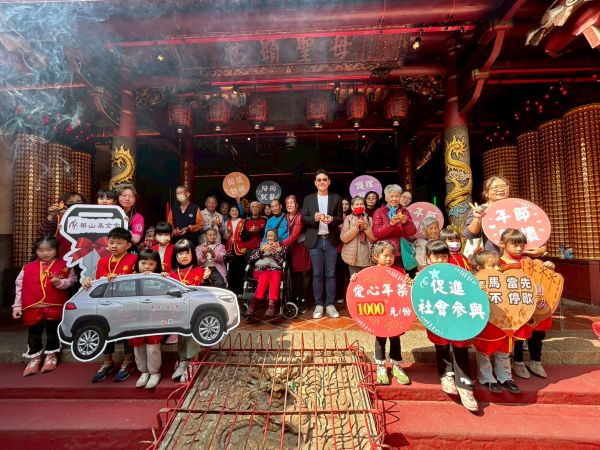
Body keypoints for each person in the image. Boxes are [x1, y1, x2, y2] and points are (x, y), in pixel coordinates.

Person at [424, 240, 478, 412]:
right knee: (441, 345)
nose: (440, 260)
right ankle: (446, 374)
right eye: (436, 257)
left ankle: (465, 384)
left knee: (460, 347)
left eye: (443, 256)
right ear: (428, 258)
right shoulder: (423, 276)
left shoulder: (458, 273)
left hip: (456, 316)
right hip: (437, 318)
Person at [12, 237, 76, 376]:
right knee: (34, 334)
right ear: (36, 251)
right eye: (41, 250)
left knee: (53, 332)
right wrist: (17, 307)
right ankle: (35, 358)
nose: (45, 253)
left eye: (49, 249)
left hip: (54, 305)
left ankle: (51, 356)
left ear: (56, 250)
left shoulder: (65, 266)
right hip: (32, 306)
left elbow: (72, 281)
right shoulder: (27, 267)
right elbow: (19, 287)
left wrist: (59, 282)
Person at [82, 227, 138, 383]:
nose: (114, 246)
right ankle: (107, 361)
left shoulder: (134, 259)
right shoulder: (102, 261)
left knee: (127, 331)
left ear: (128, 245)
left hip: (127, 303)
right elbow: (98, 282)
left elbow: (138, 280)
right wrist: (88, 281)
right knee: (105, 330)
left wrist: (120, 279)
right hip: (106, 304)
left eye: (119, 243)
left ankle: (128, 361)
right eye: (111, 242)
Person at [497, 229, 555, 380]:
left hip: (533, 303)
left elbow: (542, 278)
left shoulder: (529, 262)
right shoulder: (497, 263)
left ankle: (535, 360)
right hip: (513, 307)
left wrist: (547, 268)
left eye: (522, 245)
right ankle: (518, 362)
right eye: (515, 245)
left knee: (538, 332)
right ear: (502, 244)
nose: (519, 249)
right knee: (518, 335)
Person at [351, 241, 410, 385]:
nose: (389, 259)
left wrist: (409, 282)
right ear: (376, 256)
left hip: (394, 313)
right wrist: (355, 280)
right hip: (379, 313)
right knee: (380, 339)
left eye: (392, 256)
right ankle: (381, 366)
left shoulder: (399, 272)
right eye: (385, 256)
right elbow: (361, 288)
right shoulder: (370, 273)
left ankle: (396, 365)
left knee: (395, 339)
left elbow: (406, 291)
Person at [470, 251, 521, 394]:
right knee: (484, 351)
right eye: (493, 265)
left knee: (503, 351)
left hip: (504, 323)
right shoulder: (474, 283)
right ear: (480, 268)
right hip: (487, 324)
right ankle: (486, 378)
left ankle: (505, 377)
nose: (498, 268)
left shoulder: (505, 280)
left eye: (498, 264)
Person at [463, 176, 547, 257]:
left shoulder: (519, 208)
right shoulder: (480, 210)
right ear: (486, 193)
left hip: (521, 258)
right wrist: (477, 219)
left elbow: (536, 229)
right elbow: (469, 234)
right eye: (495, 187)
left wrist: (542, 249)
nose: (500, 189)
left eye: (504, 186)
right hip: (492, 259)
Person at [301, 170, 343, 319]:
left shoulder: (336, 198)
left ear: (329, 182)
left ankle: (330, 304)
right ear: (315, 183)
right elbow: (303, 219)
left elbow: (340, 218)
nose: (322, 182)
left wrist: (332, 220)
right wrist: (313, 218)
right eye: (319, 180)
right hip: (316, 240)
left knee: (330, 274)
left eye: (324, 179)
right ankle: (319, 305)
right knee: (317, 274)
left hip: (330, 240)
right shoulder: (309, 199)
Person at [169, 239, 210, 382]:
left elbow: (207, 291)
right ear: (175, 256)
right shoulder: (171, 274)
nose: (184, 256)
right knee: (181, 336)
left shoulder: (201, 271)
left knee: (192, 335)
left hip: (195, 311)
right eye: (180, 253)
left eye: (187, 252)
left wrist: (206, 277)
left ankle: (193, 362)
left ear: (193, 254)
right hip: (178, 311)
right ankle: (183, 361)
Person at [129, 249, 164, 389]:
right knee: (138, 347)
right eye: (143, 263)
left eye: (151, 264)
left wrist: (162, 277)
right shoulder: (130, 278)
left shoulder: (160, 278)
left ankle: (154, 372)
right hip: (135, 318)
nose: (147, 267)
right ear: (137, 263)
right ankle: (143, 371)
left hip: (153, 317)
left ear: (157, 265)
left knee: (153, 347)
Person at [372, 184, 417, 268]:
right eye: (391, 196)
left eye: (397, 196)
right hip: (385, 252)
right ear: (386, 198)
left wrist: (406, 222)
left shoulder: (404, 211)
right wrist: (390, 224)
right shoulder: (379, 212)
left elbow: (412, 232)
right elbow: (376, 233)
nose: (394, 199)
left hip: (401, 251)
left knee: (399, 274)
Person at [281, 195, 311, 313]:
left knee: (305, 273)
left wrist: (279, 243)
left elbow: (294, 236)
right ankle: (297, 297)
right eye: (287, 203)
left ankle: (305, 299)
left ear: (297, 205)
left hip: (302, 246)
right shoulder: (286, 216)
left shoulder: (299, 216)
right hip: (292, 248)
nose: (289, 205)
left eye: (291, 202)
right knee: (296, 274)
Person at [246, 229, 287, 317]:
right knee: (265, 275)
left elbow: (282, 262)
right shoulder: (261, 245)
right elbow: (251, 258)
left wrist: (275, 253)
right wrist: (261, 251)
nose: (269, 238)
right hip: (260, 270)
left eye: (271, 236)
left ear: (276, 237)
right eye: (268, 236)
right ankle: (255, 302)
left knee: (275, 275)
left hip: (275, 270)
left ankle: (271, 305)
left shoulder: (281, 248)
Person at [37, 191, 86, 257]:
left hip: (84, 255)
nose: (75, 204)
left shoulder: (90, 218)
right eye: (70, 202)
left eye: (79, 201)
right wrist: (51, 215)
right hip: (63, 255)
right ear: (63, 205)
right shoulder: (58, 218)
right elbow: (44, 234)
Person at [340, 196, 376, 276]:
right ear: (352, 207)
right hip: (353, 257)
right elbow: (344, 239)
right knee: (354, 280)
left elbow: (374, 238)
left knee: (367, 280)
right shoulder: (348, 219)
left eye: (361, 204)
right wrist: (355, 227)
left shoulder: (369, 219)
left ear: (364, 206)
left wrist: (366, 227)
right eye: (357, 204)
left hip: (367, 256)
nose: (359, 206)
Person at [224, 205, 246, 295]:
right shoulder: (227, 222)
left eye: (236, 210)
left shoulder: (243, 221)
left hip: (240, 248)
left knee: (240, 269)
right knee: (231, 269)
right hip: (230, 248)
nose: (234, 212)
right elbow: (225, 237)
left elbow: (245, 236)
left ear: (239, 212)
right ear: (229, 212)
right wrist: (227, 233)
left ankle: (240, 291)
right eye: (232, 210)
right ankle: (231, 291)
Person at [335, 197, 351, 304]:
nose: (344, 206)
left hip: (349, 248)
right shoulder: (335, 217)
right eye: (342, 204)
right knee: (339, 274)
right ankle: (340, 296)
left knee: (349, 274)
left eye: (346, 204)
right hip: (338, 249)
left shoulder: (351, 217)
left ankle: (350, 295)